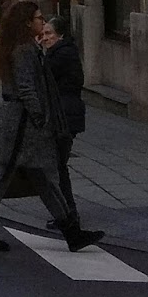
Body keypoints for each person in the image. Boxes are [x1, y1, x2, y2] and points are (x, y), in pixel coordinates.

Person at [0, 0, 104, 254]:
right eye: (39, 18)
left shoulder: (26, 47)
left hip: (24, 123)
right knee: (2, 174)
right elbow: (26, 88)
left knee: (41, 176)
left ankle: (71, 231)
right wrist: (39, 116)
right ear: (27, 23)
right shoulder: (23, 50)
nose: (43, 21)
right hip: (22, 124)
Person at [41, 13, 85, 223]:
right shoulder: (61, 52)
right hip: (66, 116)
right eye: (43, 34)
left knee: (57, 166)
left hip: (64, 118)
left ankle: (68, 213)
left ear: (60, 35)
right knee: (57, 165)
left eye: (49, 33)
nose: (45, 38)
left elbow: (43, 76)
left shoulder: (61, 55)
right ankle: (66, 212)